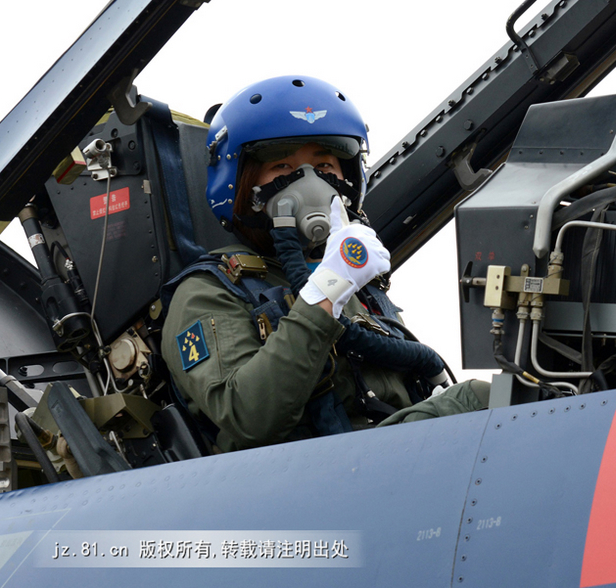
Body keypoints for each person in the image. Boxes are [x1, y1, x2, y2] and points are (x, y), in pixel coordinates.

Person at [160, 75, 488, 452]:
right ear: (243, 186)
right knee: (476, 399)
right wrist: (327, 289)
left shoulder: (360, 286)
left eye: (325, 166)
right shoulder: (207, 292)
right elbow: (248, 416)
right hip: (310, 471)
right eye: (283, 167)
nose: (311, 183)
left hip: (393, 454)